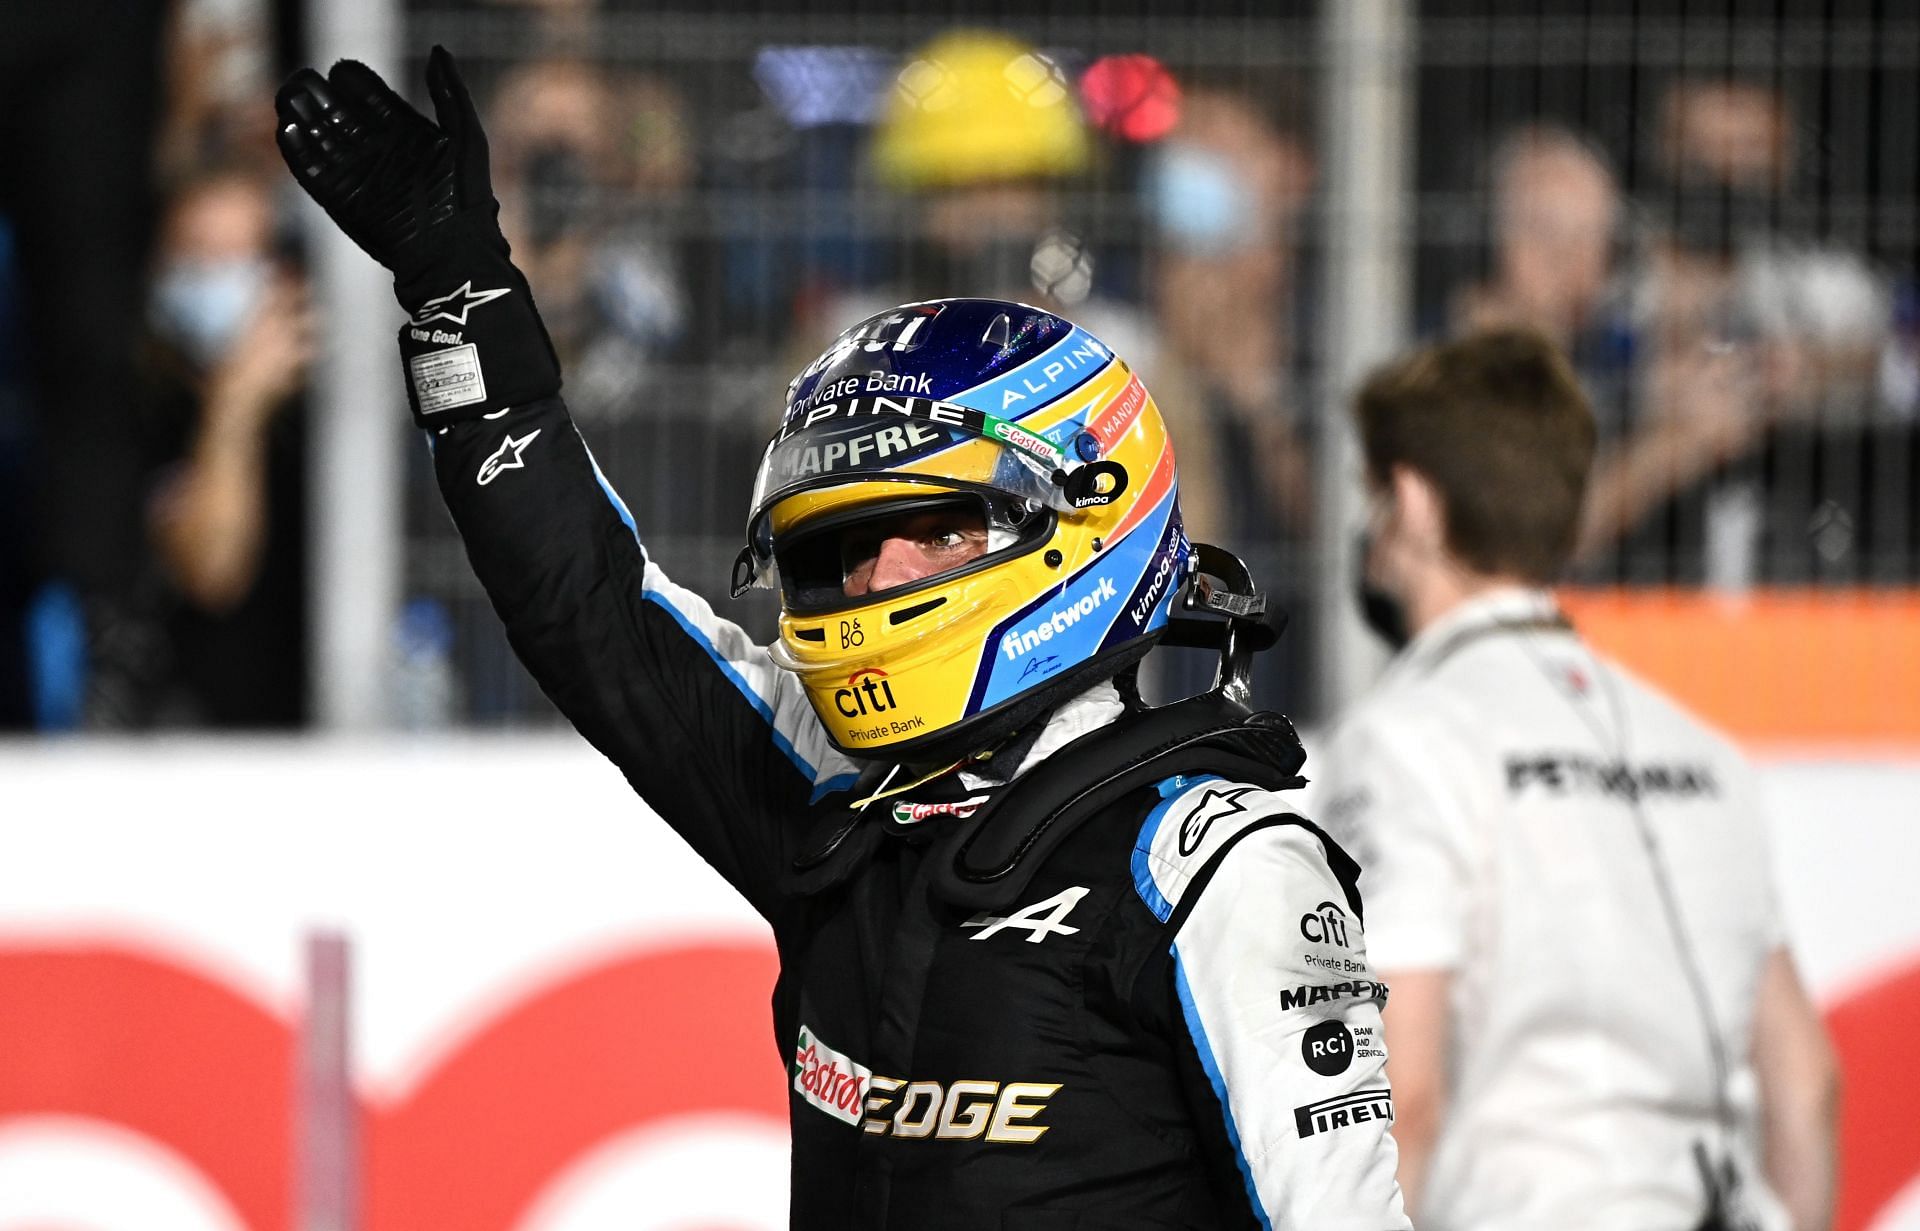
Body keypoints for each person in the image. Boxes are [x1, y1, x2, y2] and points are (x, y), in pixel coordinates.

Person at [275, 49, 1410, 1229]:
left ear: (1086, 511)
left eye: (931, 529)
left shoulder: (1213, 866)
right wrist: (461, 296)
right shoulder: (834, 796)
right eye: (841, 546)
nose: (878, 577)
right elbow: (587, 610)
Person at [1313, 329, 1839, 1231]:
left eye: (1374, 497)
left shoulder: (1405, 738)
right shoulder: (1707, 751)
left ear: (1412, 502)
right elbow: (1808, 1084)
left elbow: (1399, 1098)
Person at [140, 164, 313, 727]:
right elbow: (212, 570)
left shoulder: (339, 411)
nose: (216, 279)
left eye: (238, 260)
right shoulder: (142, 408)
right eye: (196, 257)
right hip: (200, 740)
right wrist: (234, 404)